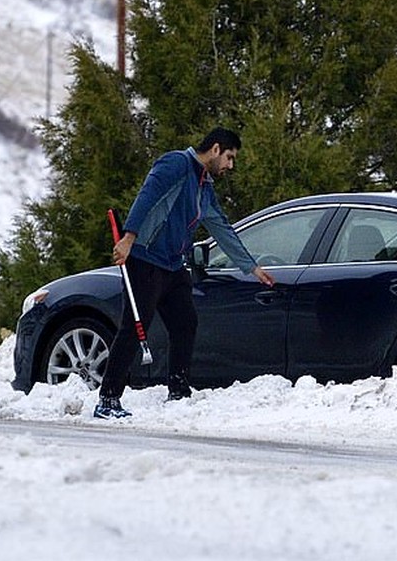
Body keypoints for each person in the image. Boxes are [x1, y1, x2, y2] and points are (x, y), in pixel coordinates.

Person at [94, 127, 275, 419]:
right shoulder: (176, 164)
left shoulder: (204, 187)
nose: (230, 165)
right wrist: (128, 238)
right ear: (215, 149)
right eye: (229, 157)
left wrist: (251, 267)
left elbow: (221, 227)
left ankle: (178, 389)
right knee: (132, 328)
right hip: (147, 259)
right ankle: (108, 399)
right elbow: (147, 196)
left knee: (185, 323)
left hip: (174, 266)